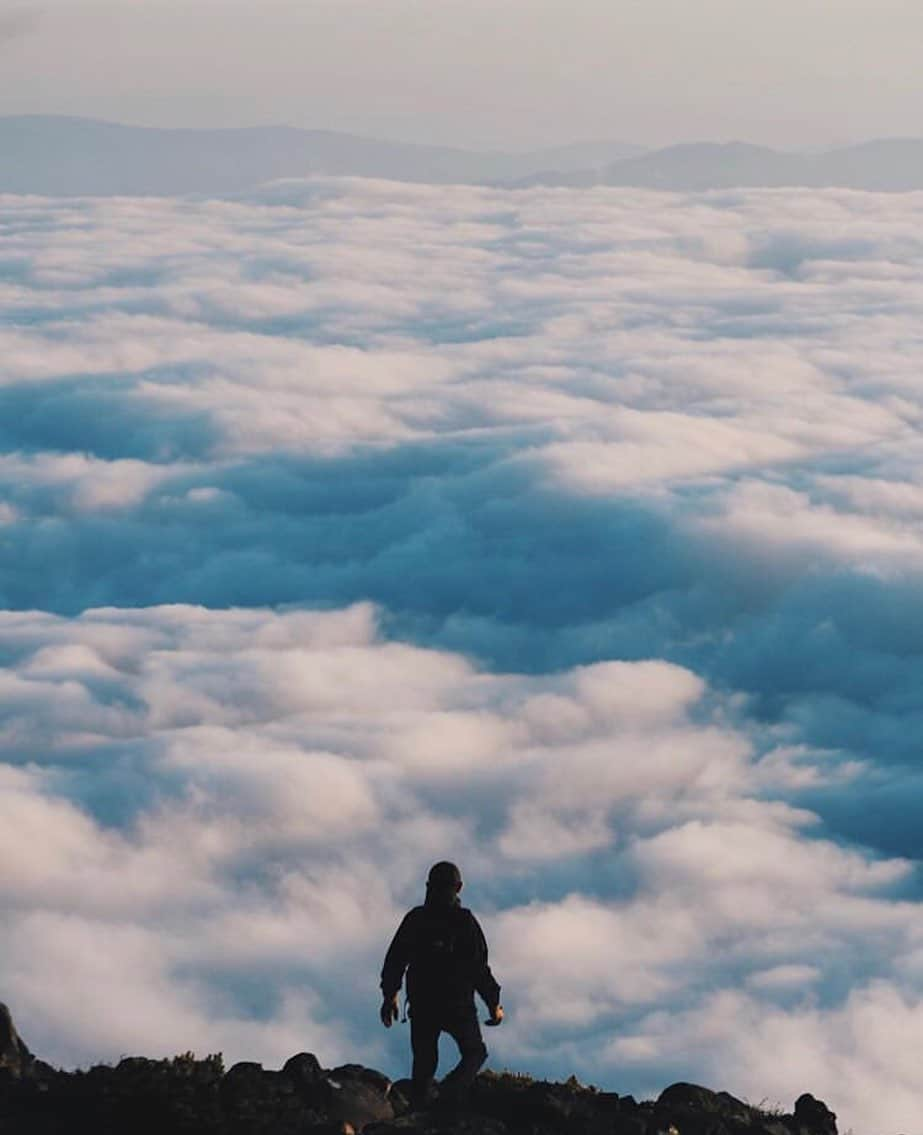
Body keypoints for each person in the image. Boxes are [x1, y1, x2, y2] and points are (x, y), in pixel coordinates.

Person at [380, 861, 503, 1108]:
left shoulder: (416, 919)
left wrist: (390, 996)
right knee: (475, 1053)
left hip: (422, 1002)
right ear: (459, 887)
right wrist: (494, 1004)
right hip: (457, 1003)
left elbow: (395, 960)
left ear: (428, 887)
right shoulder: (465, 921)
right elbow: (479, 968)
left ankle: (418, 1111)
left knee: (424, 1063)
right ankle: (449, 1095)